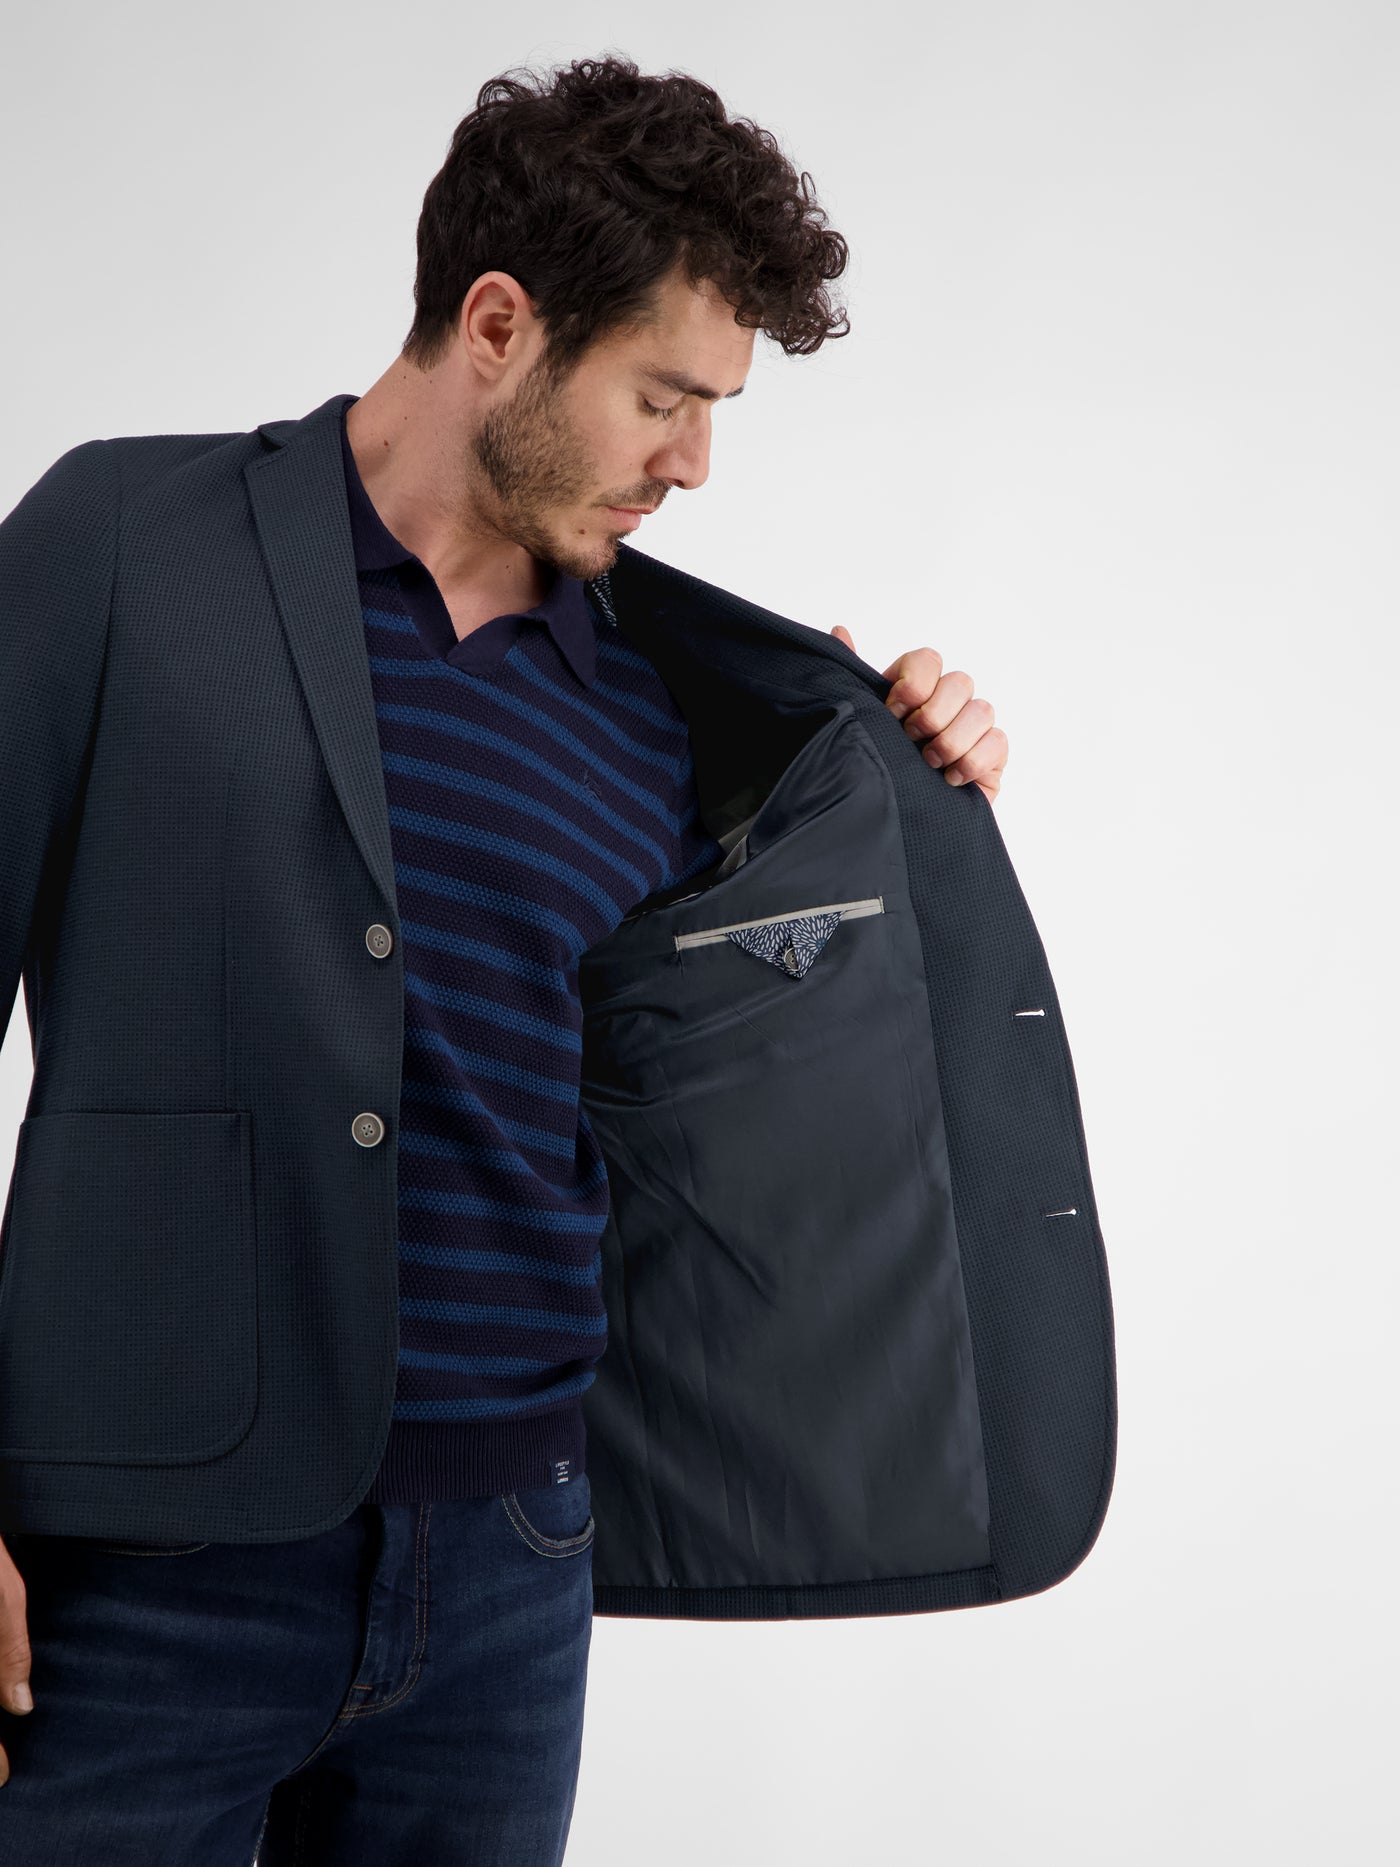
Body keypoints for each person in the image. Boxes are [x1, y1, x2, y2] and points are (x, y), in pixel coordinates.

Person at [0, 55, 1010, 1864]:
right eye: (662, 398)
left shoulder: (660, 709)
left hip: (512, 1580)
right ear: (497, 324)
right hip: (142, 1572)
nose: (693, 463)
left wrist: (910, 775)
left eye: (714, 412)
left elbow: (771, 1053)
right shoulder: (121, 548)